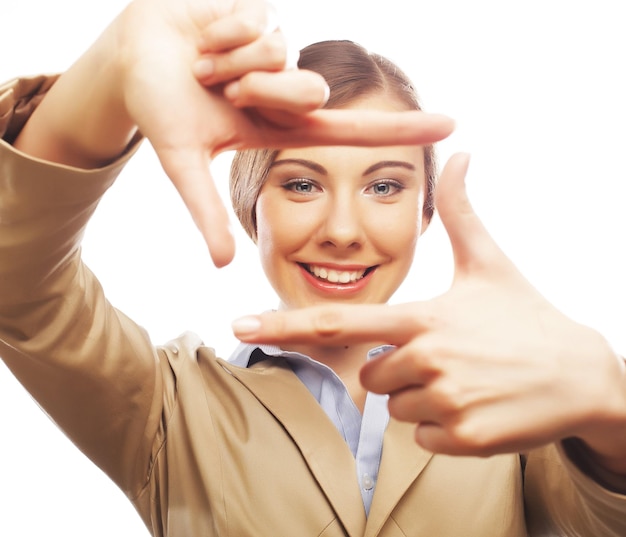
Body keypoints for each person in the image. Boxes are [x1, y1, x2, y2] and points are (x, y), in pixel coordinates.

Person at [0, 1, 625, 537]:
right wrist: (112, 66)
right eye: (301, 184)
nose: (343, 231)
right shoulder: (168, 407)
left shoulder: (513, 398)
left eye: (384, 187)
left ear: (426, 212)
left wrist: (613, 412)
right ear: (251, 208)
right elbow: (20, 286)